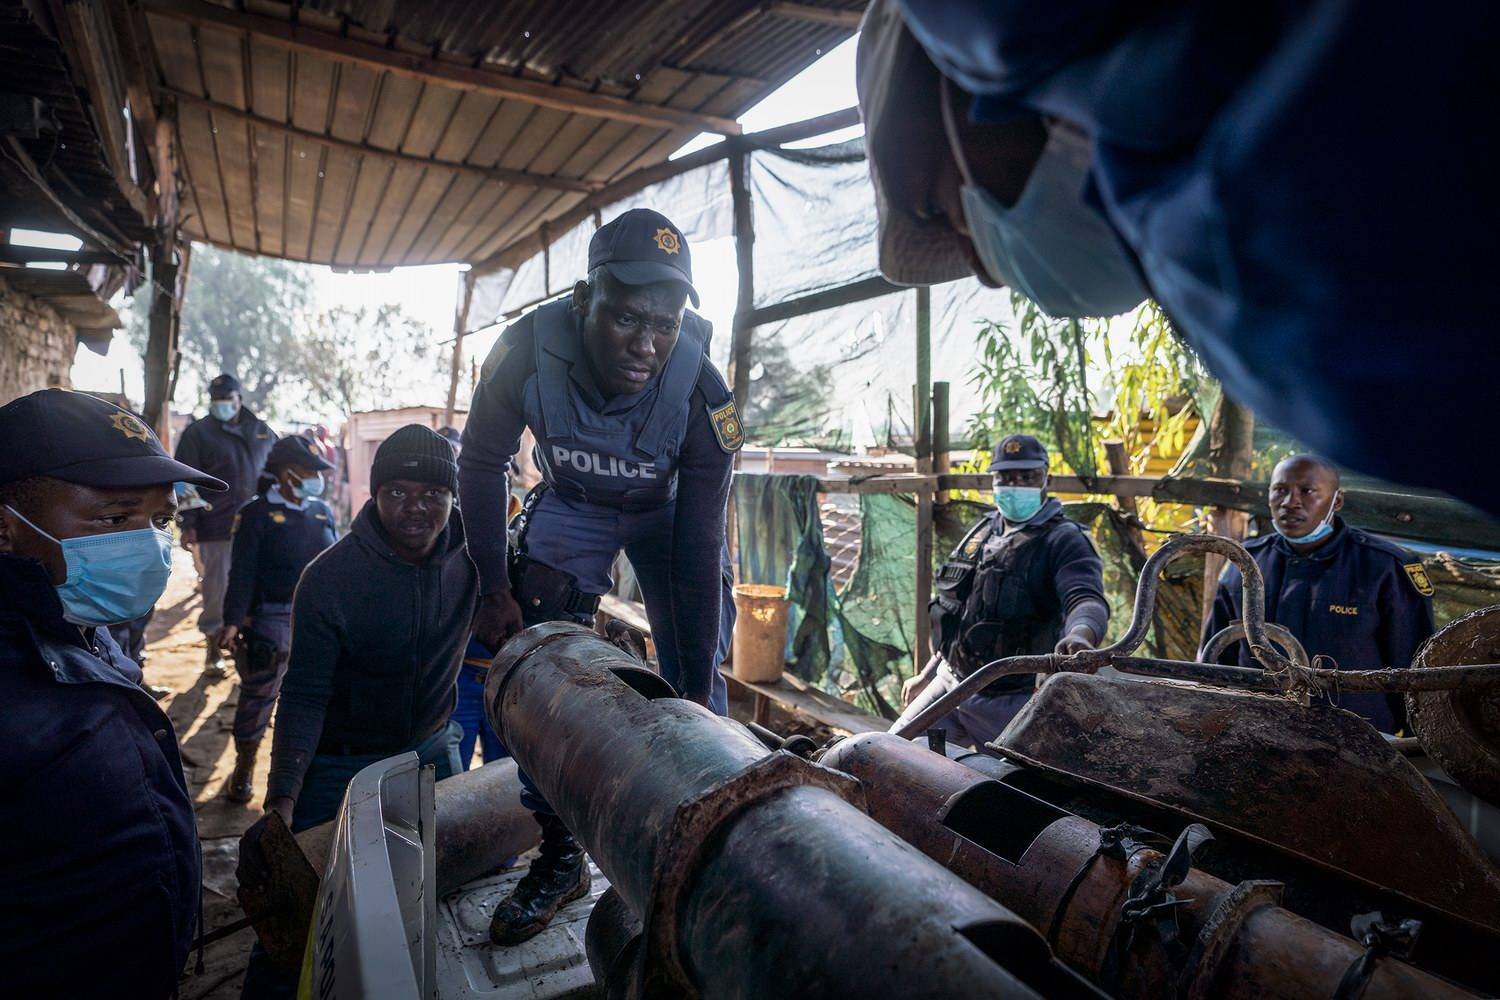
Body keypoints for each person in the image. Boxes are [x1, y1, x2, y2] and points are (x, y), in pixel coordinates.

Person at [856, 1, 1498, 521]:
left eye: (943, 212)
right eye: (1010, 478)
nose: (988, 270)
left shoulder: (1247, 266)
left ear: (955, 90)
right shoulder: (1216, 236)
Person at [459, 207, 740, 944]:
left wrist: (696, 677)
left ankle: (694, 851)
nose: (646, 344)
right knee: (535, 670)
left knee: (698, 684)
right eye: (626, 319)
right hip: (575, 505)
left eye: (664, 325)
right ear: (586, 299)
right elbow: (480, 461)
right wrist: (493, 584)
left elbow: (702, 542)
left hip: (667, 515)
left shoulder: (705, 391)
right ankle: (561, 856)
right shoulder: (524, 349)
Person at [0, 389, 226, 997]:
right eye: (113, 519)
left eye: (160, 520)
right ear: (5, 528)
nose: (147, 543)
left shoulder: (76, 622)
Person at [260, 425, 473, 832]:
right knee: (323, 883)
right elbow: (304, 693)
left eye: (432, 492)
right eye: (397, 492)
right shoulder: (328, 579)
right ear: (374, 495)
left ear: (453, 496)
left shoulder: (478, 561)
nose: (415, 507)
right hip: (341, 764)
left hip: (433, 748)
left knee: (444, 875)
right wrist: (282, 796)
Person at [893, 434, 1109, 748]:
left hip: (1015, 699)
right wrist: (927, 674)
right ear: (993, 480)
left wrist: (1081, 634)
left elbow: (1085, 597)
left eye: (1027, 476)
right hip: (951, 683)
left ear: (1046, 478)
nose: (1015, 484)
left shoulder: (1064, 540)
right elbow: (959, 611)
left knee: (1007, 790)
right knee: (888, 754)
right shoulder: (983, 531)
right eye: (1006, 477)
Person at [1204, 455, 1435, 734]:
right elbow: (1215, 661)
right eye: (1280, 490)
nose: (1291, 502)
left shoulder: (1385, 566)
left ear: (1336, 501)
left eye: (1307, 491)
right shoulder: (1244, 563)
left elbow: (1414, 669)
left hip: (1358, 738)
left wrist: (1414, 743)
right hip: (1258, 729)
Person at [216, 435, 338, 804]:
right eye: (309, 471)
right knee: (260, 692)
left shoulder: (321, 510)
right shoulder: (256, 514)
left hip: (318, 617)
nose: (317, 478)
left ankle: (299, 776)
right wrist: (235, 620)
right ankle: (245, 766)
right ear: (287, 473)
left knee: (316, 696)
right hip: (273, 616)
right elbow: (243, 570)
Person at [174, 373, 277, 677]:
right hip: (215, 525)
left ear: (239, 399)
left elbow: (278, 471)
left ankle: (246, 646)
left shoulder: (261, 431)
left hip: (260, 528)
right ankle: (213, 649)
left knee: (256, 588)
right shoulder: (198, 434)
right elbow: (185, 482)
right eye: (216, 401)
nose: (222, 406)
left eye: (227, 400)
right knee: (217, 589)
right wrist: (188, 523)